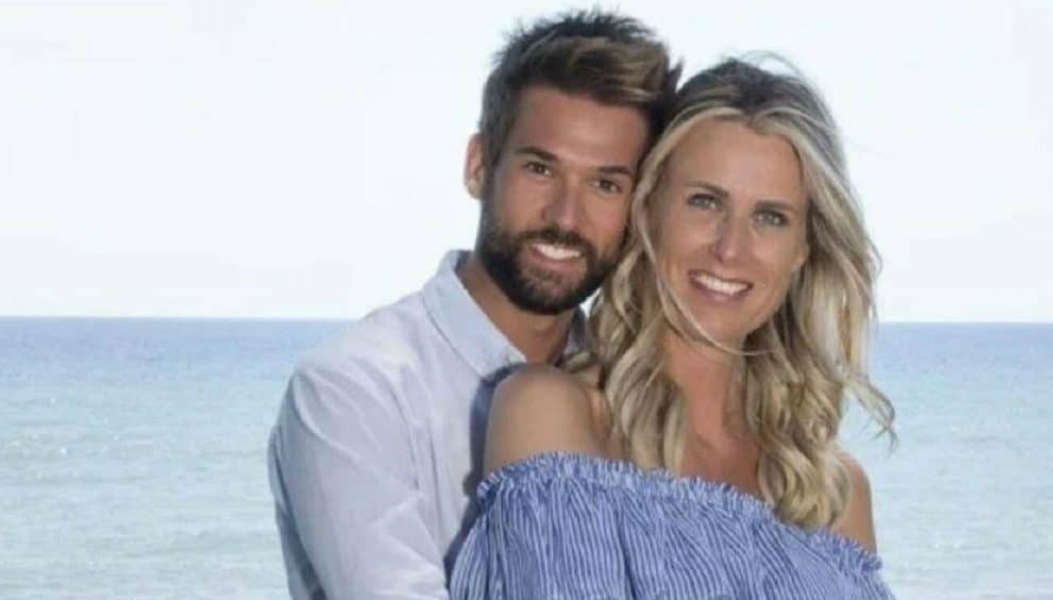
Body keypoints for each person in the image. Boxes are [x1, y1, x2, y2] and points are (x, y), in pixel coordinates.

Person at [448, 58, 897, 599]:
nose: (731, 249)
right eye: (705, 202)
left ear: (803, 248)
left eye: (770, 217)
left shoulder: (833, 493)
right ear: (649, 210)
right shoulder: (551, 414)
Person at [266, 10, 678, 599]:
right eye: (540, 169)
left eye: (605, 184)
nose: (566, 217)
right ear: (479, 167)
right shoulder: (354, 390)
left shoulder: (635, 393)